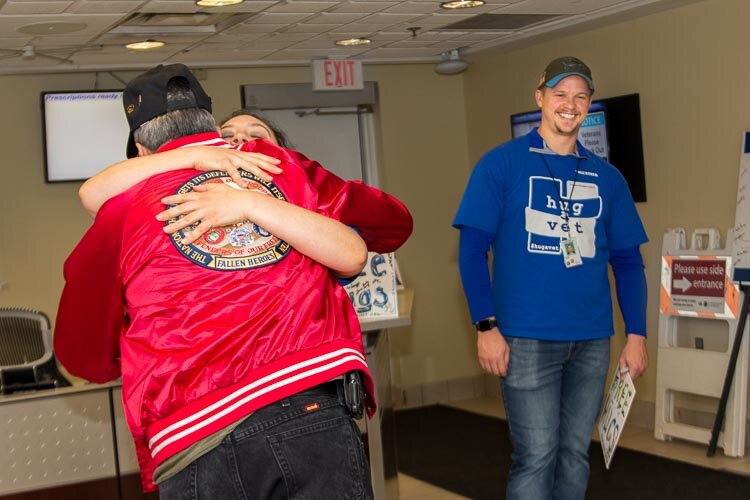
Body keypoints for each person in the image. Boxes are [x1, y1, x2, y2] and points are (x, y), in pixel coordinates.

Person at [54, 63, 413, 498]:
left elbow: (81, 350)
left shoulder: (122, 210)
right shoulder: (279, 166)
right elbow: (392, 224)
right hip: (304, 395)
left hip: (192, 425)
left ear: (141, 149)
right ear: (212, 126)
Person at [453, 56, 648, 500]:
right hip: (524, 340)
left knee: (575, 453)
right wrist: (486, 325)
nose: (570, 104)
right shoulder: (499, 166)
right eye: (560, 94)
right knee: (536, 454)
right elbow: (471, 251)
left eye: (580, 96)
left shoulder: (607, 178)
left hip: (592, 340)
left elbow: (628, 261)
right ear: (540, 98)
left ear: (589, 106)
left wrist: (636, 334)